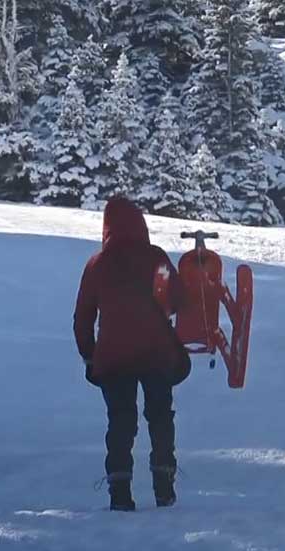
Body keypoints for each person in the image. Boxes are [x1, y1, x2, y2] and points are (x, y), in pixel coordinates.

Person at [74, 198, 191, 512]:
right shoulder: (156, 259)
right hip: (156, 353)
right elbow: (175, 301)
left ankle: (120, 493)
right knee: (161, 417)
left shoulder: (97, 264)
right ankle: (164, 488)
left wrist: (89, 355)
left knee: (120, 422)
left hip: (113, 358)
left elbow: (83, 317)